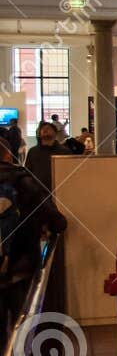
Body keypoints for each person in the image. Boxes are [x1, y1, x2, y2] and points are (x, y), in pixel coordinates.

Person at [0, 143, 66, 328]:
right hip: (19, 263)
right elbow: (52, 216)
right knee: (22, 322)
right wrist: (57, 224)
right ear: (8, 157)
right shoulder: (22, 179)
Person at [25, 121, 64, 193]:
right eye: (42, 129)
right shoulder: (32, 151)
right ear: (39, 134)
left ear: (55, 133)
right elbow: (28, 171)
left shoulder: (64, 151)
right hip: (37, 192)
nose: (45, 129)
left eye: (48, 128)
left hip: (60, 190)